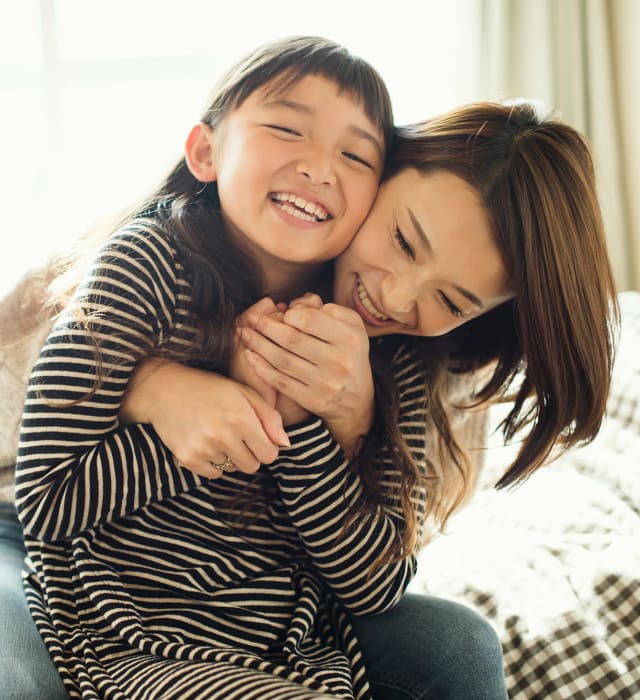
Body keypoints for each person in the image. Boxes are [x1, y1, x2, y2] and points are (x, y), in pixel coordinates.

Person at [11, 38, 616, 700]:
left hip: (276, 636)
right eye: (404, 241)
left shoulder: (402, 353)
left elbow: (378, 582)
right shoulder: (149, 261)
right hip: (101, 602)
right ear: (386, 177)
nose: (395, 298)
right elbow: (45, 490)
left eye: (450, 301)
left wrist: (325, 426)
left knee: (461, 644)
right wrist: (166, 396)